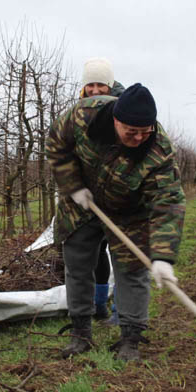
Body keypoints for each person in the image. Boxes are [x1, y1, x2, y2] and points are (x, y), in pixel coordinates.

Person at [46, 83, 185, 362]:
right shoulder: (82, 115)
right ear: (115, 120)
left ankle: (131, 337)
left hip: (129, 211)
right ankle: (81, 333)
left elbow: (167, 202)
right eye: (131, 132)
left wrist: (162, 257)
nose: (138, 138)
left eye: (144, 132)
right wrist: (72, 185)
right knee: (78, 263)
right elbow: (57, 145)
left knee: (132, 269)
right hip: (82, 202)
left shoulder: (159, 149)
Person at [78, 57, 125, 320]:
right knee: (96, 251)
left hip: (118, 190)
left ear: (110, 84)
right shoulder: (79, 110)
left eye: (100, 85)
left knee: (120, 250)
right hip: (88, 192)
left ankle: (121, 311)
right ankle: (99, 306)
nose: (95, 90)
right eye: (90, 85)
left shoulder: (123, 109)